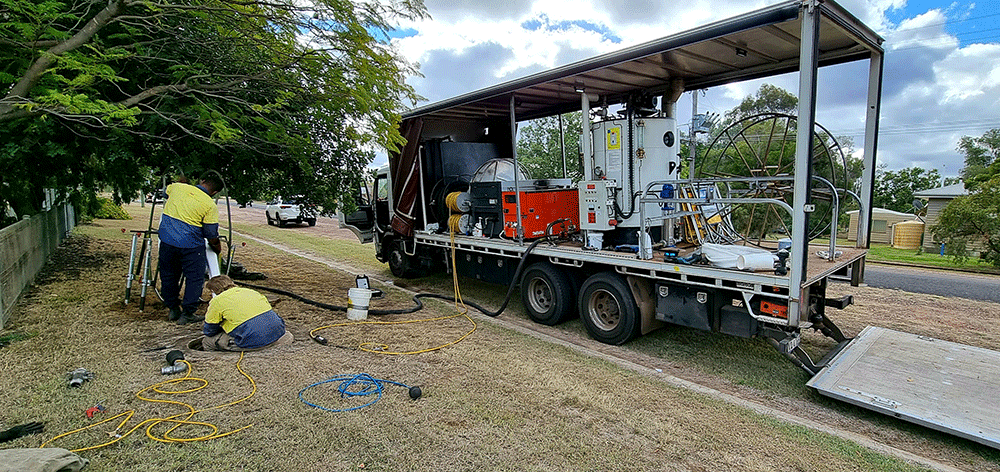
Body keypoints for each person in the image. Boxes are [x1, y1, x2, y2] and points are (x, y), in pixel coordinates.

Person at [158, 173, 223, 325]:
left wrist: (180, 184)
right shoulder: (209, 205)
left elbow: (163, 193)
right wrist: (217, 247)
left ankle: (173, 308)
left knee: (168, 275)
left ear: (202, 180)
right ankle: (187, 313)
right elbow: (210, 233)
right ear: (215, 193)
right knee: (194, 278)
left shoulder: (177, 188)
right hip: (191, 246)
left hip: (167, 241)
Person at [200, 275, 293, 351]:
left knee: (207, 342)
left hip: (253, 341)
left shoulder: (217, 301)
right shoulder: (251, 292)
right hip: (278, 334)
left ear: (213, 291)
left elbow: (209, 330)